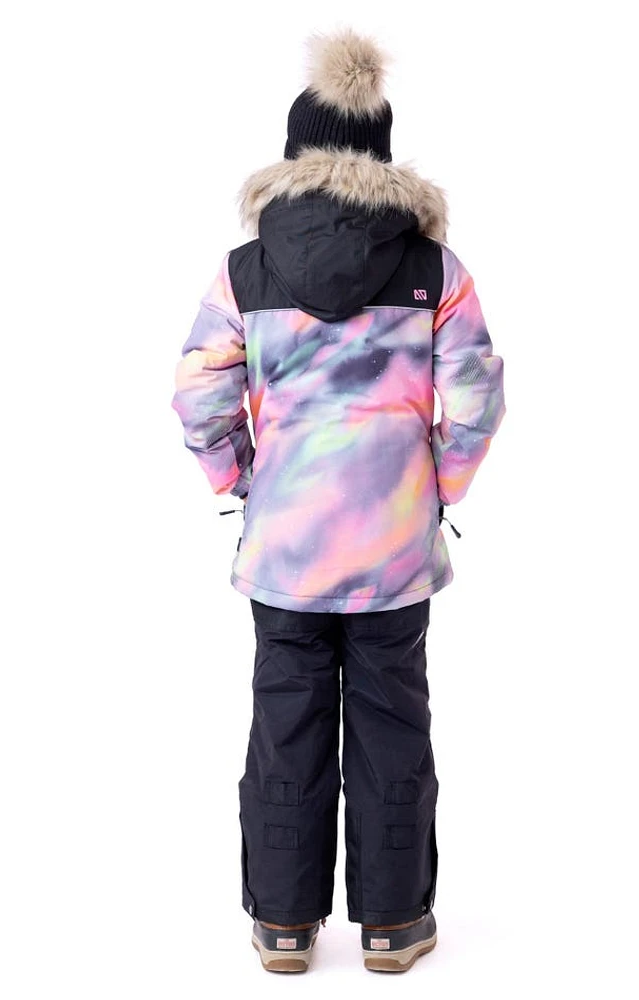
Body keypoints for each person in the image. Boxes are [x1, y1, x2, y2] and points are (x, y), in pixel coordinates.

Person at [171, 27, 506, 973]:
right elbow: (476, 401)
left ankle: (283, 925)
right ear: (382, 157)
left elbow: (198, 396)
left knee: (287, 721)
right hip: (392, 551)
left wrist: (243, 481)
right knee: (393, 723)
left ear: (294, 154)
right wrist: (433, 490)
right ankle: (395, 926)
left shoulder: (245, 271)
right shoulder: (436, 271)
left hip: (286, 547)